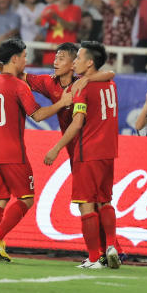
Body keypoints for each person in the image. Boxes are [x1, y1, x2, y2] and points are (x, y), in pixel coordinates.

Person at [0, 42, 126, 263]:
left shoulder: (81, 83)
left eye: (61, 58)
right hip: (79, 150)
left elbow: (110, 73)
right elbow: (16, 72)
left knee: (90, 202)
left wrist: (88, 79)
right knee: (98, 200)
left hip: (86, 148)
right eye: (55, 57)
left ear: (73, 63)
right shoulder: (50, 83)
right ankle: (111, 249)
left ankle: (104, 252)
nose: (55, 62)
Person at [0, 38, 73, 262]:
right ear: (16, 59)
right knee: (26, 199)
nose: (26, 60)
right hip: (13, 153)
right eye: (25, 56)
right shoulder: (19, 86)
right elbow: (37, 115)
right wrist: (62, 103)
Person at [43, 41, 120, 269]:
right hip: (109, 151)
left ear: (89, 63)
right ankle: (111, 245)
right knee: (104, 201)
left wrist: (56, 148)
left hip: (88, 151)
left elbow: (77, 124)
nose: (75, 61)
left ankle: (95, 258)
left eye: (79, 58)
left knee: (85, 204)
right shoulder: (110, 84)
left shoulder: (81, 88)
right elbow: (110, 73)